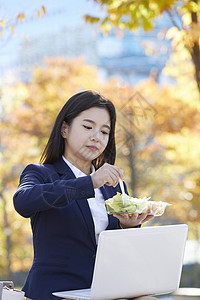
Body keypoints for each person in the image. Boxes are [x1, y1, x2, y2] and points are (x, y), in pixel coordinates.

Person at [13, 90, 154, 300]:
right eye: (88, 127)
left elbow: (116, 251)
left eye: (104, 132)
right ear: (64, 129)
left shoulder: (112, 185)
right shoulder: (41, 173)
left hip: (103, 290)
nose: (96, 137)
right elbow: (23, 201)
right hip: (56, 292)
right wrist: (89, 183)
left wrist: (128, 225)